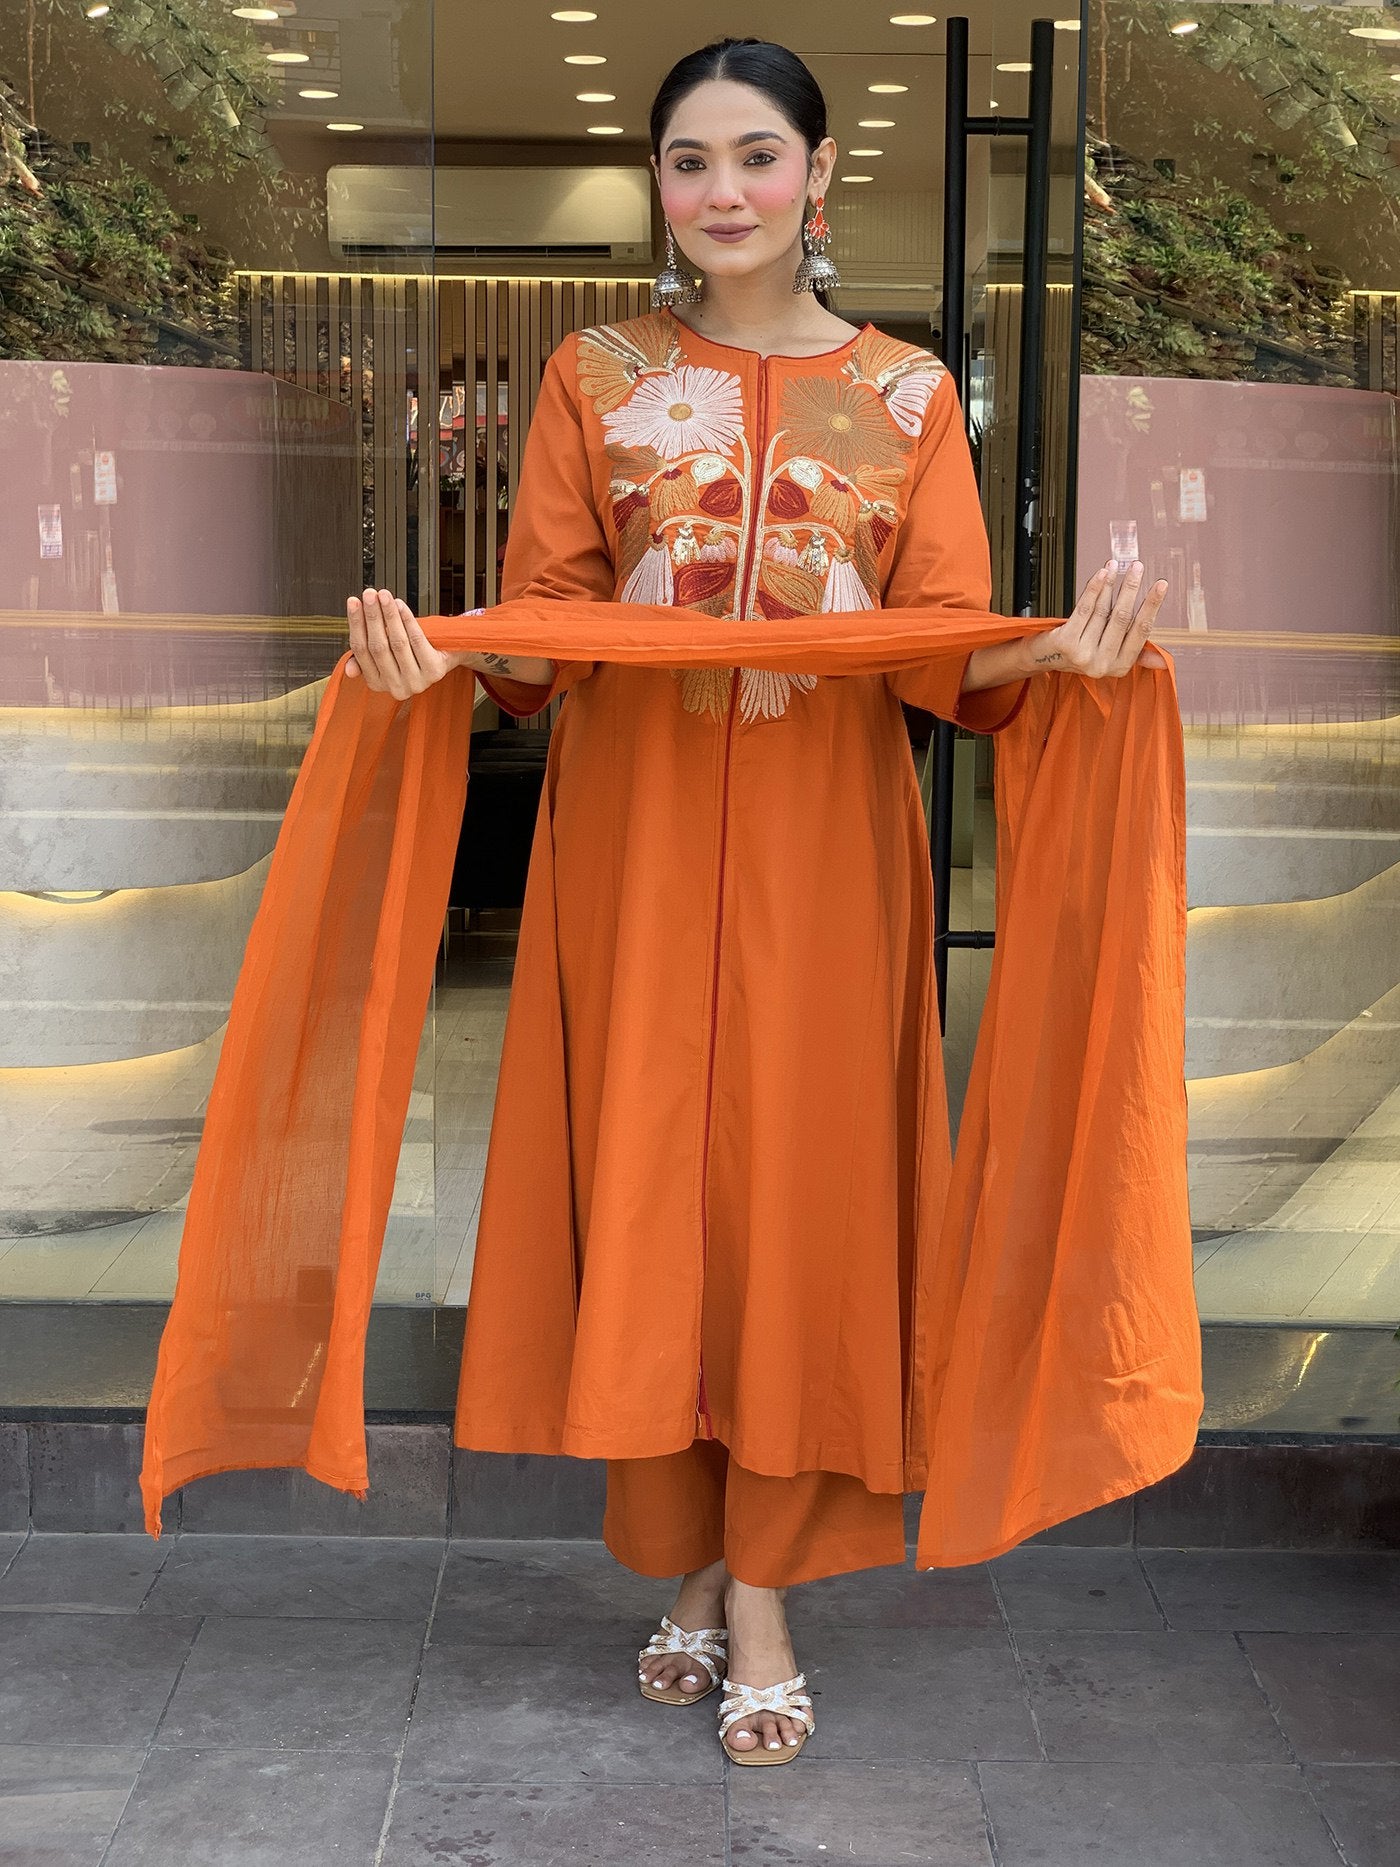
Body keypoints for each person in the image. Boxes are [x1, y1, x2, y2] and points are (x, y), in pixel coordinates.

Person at [343, 39, 1169, 1767]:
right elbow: (546, 627)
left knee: (799, 1208)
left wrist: (1063, 652)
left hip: (829, 863)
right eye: (690, 162)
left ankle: (762, 1590)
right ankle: (695, 1563)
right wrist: (444, 662)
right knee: (654, 1197)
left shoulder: (914, 396)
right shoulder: (594, 376)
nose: (723, 192)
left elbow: (945, 647)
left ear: (819, 173)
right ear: (660, 187)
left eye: (757, 157)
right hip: (630, 858)